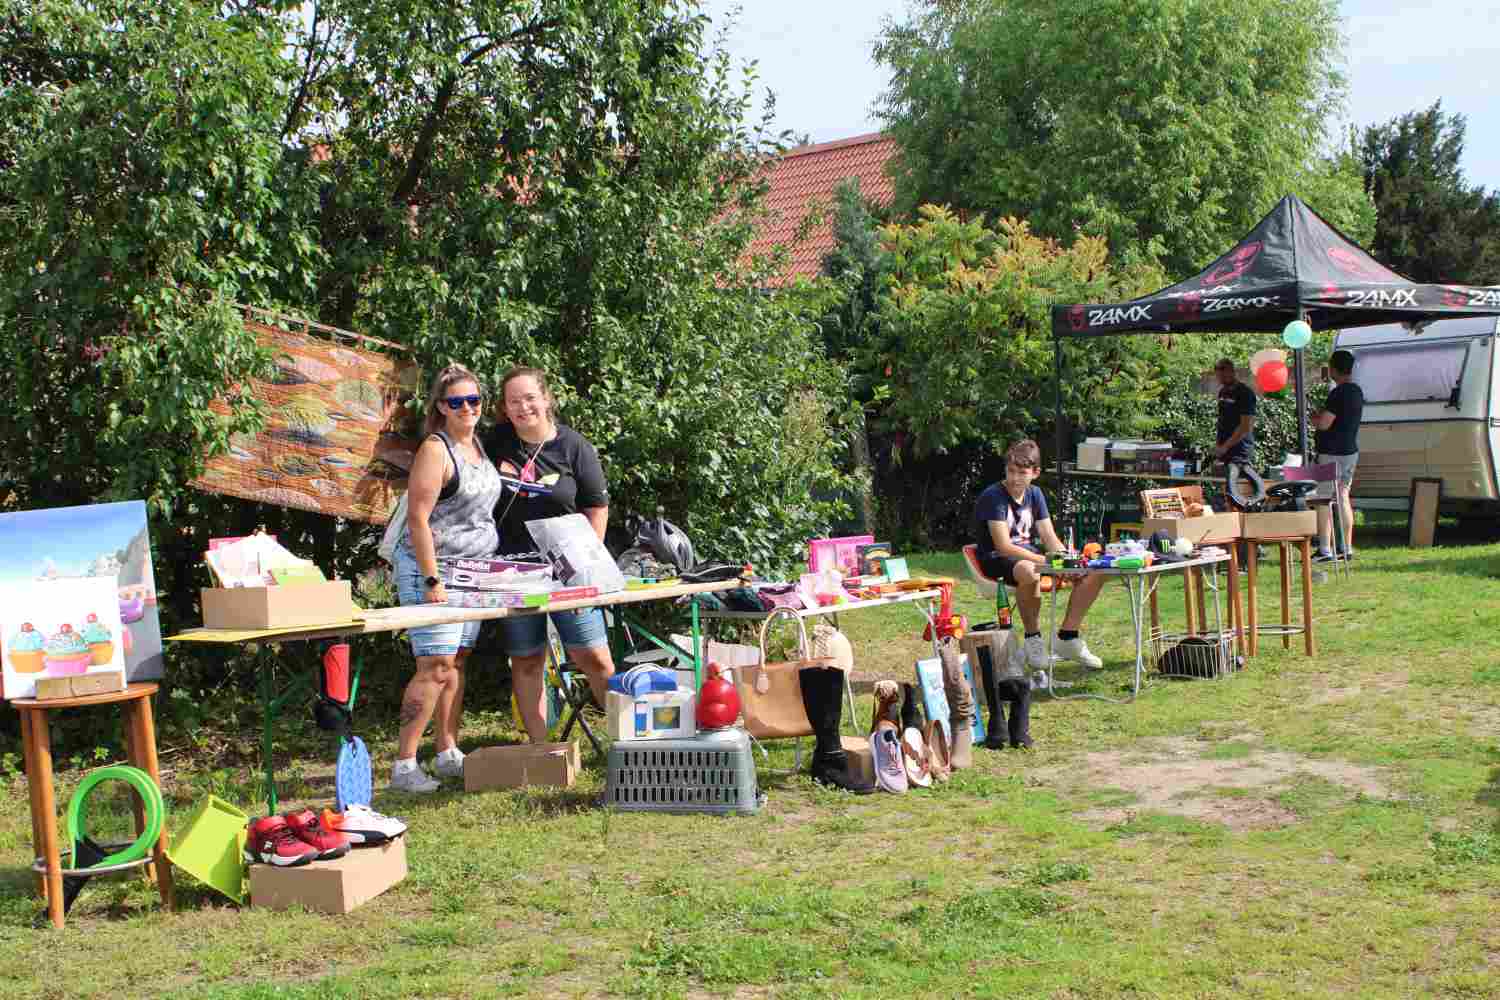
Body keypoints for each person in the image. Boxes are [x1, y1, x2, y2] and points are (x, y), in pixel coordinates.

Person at [484, 366, 616, 742]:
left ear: (546, 399)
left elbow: (597, 507)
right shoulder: (495, 443)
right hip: (513, 570)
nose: (523, 407)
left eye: (530, 397)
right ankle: (540, 749)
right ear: (505, 409)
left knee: (594, 658)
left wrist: (586, 563)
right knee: (526, 659)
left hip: (567, 571)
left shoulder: (575, 446)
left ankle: (625, 742)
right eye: (514, 401)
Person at [390, 364, 504, 793]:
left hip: (473, 571)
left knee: (456, 662)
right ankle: (404, 764)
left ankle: (447, 751)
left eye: (474, 400)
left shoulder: (477, 445)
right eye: (457, 402)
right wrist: (431, 579)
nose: (467, 408)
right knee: (433, 666)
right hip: (434, 570)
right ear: (441, 407)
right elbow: (418, 518)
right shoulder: (435, 450)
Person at [973, 439, 1108, 675]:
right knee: (1029, 570)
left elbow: (1049, 536)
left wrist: (1067, 559)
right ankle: (1033, 639)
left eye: (1022, 472)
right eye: (1011, 471)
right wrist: (1046, 562)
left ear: (1035, 473)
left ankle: (1067, 636)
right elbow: (1003, 546)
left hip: (1028, 557)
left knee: (1093, 571)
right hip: (995, 559)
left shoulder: (1035, 494)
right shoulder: (993, 496)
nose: (1015, 478)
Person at [1311, 349, 1363, 561]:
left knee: (1323, 499)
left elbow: (1325, 423)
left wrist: (1314, 418)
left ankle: (1325, 549)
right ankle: (1346, 548)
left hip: (1331, 453)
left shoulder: (1338, 393)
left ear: (1334, 369)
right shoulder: (1357, 392)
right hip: (1350, 451)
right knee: (1342, 496)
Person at [1214, 357, 1257, 465]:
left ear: (1232, 372)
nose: (1222, 378)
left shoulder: (1245, 393)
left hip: (1240, 450)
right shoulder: (1222, 392)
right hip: (1225, 449)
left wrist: (1225, 446)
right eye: (1219, 375)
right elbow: (1222, 421)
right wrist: (1219, 446)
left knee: (1237, 476)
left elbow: (1245, 426)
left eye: (1225, 374)